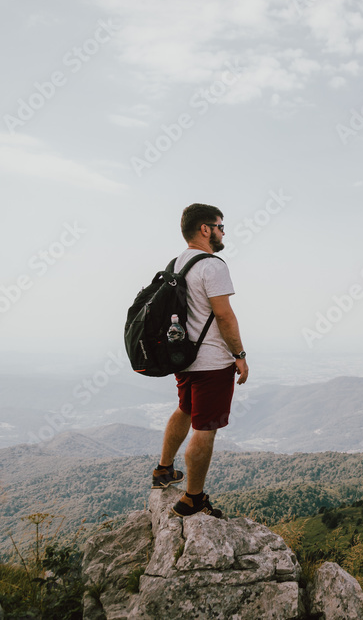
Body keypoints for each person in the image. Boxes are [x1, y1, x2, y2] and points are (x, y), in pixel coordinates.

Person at [151, 203, 248, 518]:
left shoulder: (178, 262)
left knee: (185, 408)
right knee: (205, 428)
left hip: (184, 358)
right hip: (211, 363)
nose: (222, 232)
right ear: (205, 229)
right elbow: (224, 315)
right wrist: (239, 356)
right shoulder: (213, 266)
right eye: (221, 225)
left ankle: (164, 469)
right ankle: (193, 500)